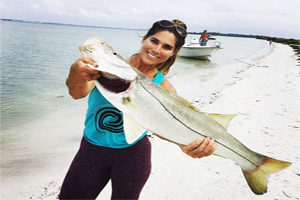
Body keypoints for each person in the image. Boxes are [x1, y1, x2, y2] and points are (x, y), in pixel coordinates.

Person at [59, 19, 216, 200]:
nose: (157, 50)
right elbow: (77, 93)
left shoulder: (165, 88)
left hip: (133, 156)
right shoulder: (109, 67)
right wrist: (75, 70)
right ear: (144, 39)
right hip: (91, 150)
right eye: (154, 41)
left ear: (173, 53)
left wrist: (184, 145)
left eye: (166, 47)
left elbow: (160, 126)